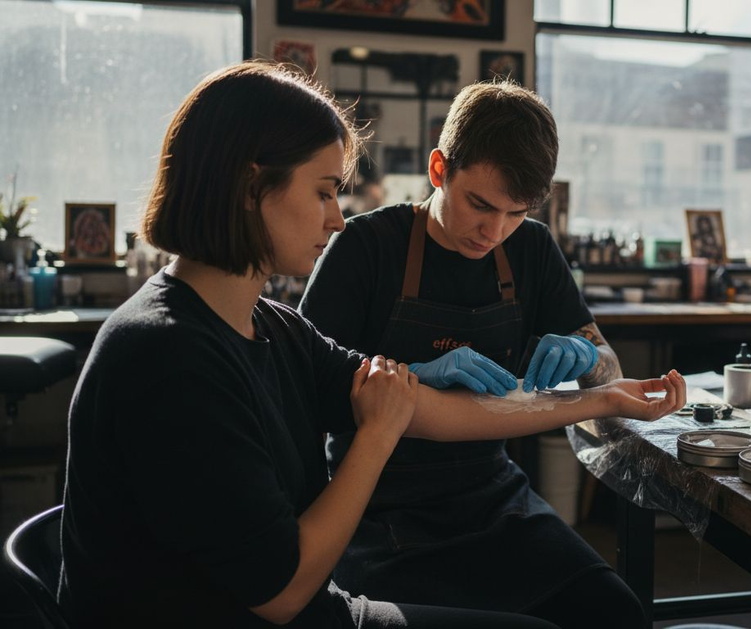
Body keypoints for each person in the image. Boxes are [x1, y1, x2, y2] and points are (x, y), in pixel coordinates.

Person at [58, 62, 687, 629]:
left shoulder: (272, 326)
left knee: (608, 613)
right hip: (349, 548)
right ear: (253, 187)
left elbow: (425, 408)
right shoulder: (172, 357)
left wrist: (603, 397)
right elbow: (280, 591)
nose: (336, 217)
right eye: (325, 191)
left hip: (466, 508)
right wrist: (383, 427)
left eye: (515, 214)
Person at [298, 81, 639, 628]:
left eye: (515, 212)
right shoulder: (364, 247)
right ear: (439, 169)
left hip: (494, 498)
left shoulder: (530, 248)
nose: (494, 231)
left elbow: (610, 370)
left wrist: (585, 355)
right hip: (379, 510)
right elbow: (301, 396)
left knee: (614, 613)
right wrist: (408, 378)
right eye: (479, 204)